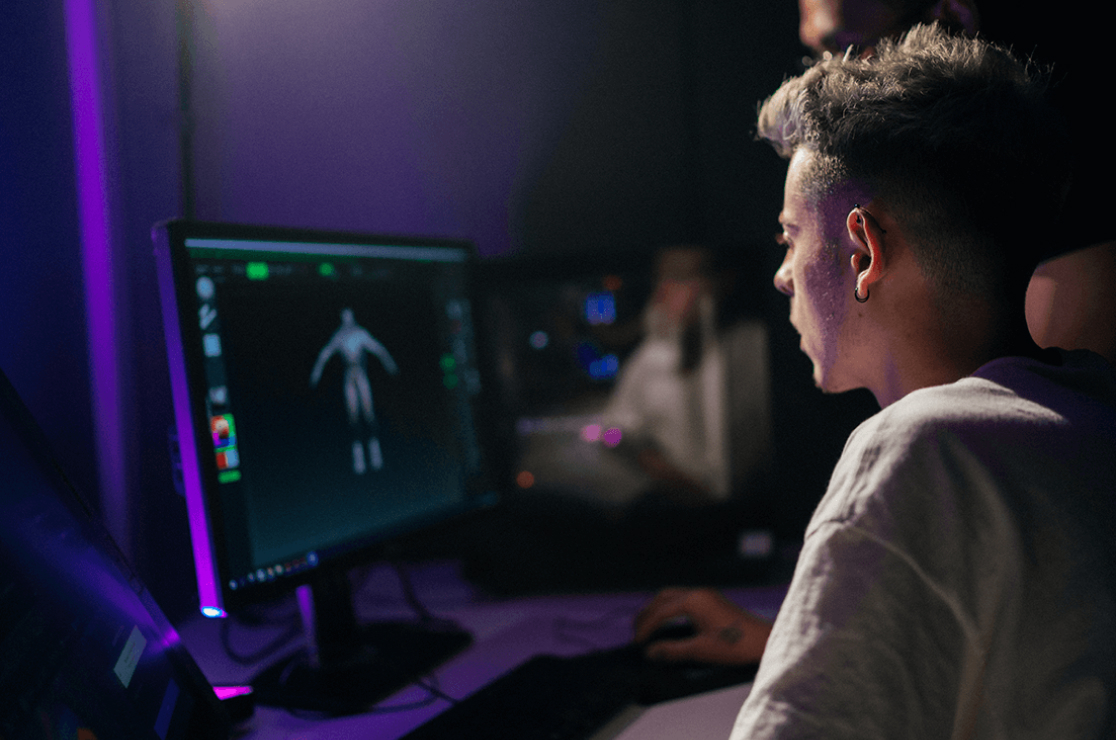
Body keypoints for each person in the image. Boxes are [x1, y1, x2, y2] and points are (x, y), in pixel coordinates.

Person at [640, 24, 1116, 738]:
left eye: (790, 238)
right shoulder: (1088, 409)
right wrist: (792, 641)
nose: (780, 273)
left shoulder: (923, 450)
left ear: (862, 250)